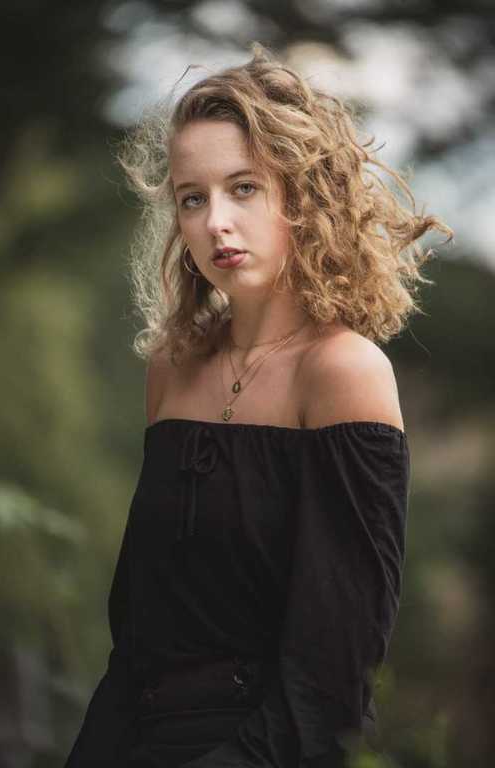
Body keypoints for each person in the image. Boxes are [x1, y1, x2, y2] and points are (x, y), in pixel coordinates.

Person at [64, 43, 452, 767]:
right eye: (192, 197)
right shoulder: (173, 369)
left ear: (303, 196)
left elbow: (332, 685)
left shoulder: (342, 371)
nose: (216, 221)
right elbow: (140, 635)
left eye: (244, 187)